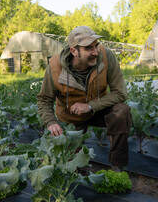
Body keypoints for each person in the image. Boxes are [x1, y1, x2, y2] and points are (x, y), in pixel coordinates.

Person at [37, 25, 131, 171]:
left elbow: (120, 93)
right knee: (74, 167)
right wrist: (50, 122)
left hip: (97, 111)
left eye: (96, 45)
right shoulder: (55, 67)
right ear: (74, 51)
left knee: (121, 111)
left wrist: (90, 106)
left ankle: (117, 166)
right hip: (71, 117)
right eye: (88, 48)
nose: (95, 52)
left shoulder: (107, 58)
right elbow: (44, 99)